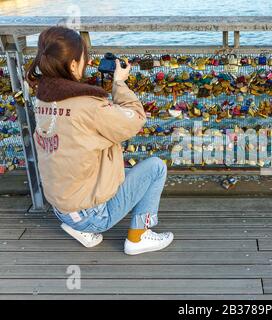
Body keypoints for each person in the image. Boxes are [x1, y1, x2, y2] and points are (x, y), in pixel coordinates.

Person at [25, 26, 174, 255]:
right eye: (84, 59)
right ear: (73, 65)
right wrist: (119, 84)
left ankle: (79, 228)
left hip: (60, 208)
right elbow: (135, 119)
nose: (86, 64)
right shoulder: (89, 105)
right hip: (93, 216)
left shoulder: (42, 99)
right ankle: (138, 237)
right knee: (156, 167)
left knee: (92, 160)